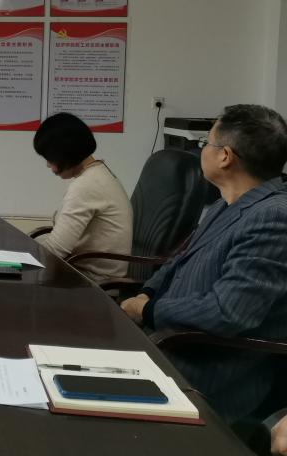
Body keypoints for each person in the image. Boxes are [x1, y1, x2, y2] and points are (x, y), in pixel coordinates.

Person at [121, 104, 287, 422]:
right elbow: (179, 259)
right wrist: (148, 293)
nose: (202, 152)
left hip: (208, 375)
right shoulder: (228, 203)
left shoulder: (273, 217)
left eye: (205, 144)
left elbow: (229, 311)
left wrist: (148, 310)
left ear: (225, 156)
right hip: (170, 344)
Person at [31, 112, 132, 282]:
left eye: (49, 158)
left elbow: (55, 251)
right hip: (87, 273)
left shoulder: (87, 186)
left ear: (65, 154)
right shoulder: (98, 172)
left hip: (92, 283)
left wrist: (18, 258)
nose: (48, 165)